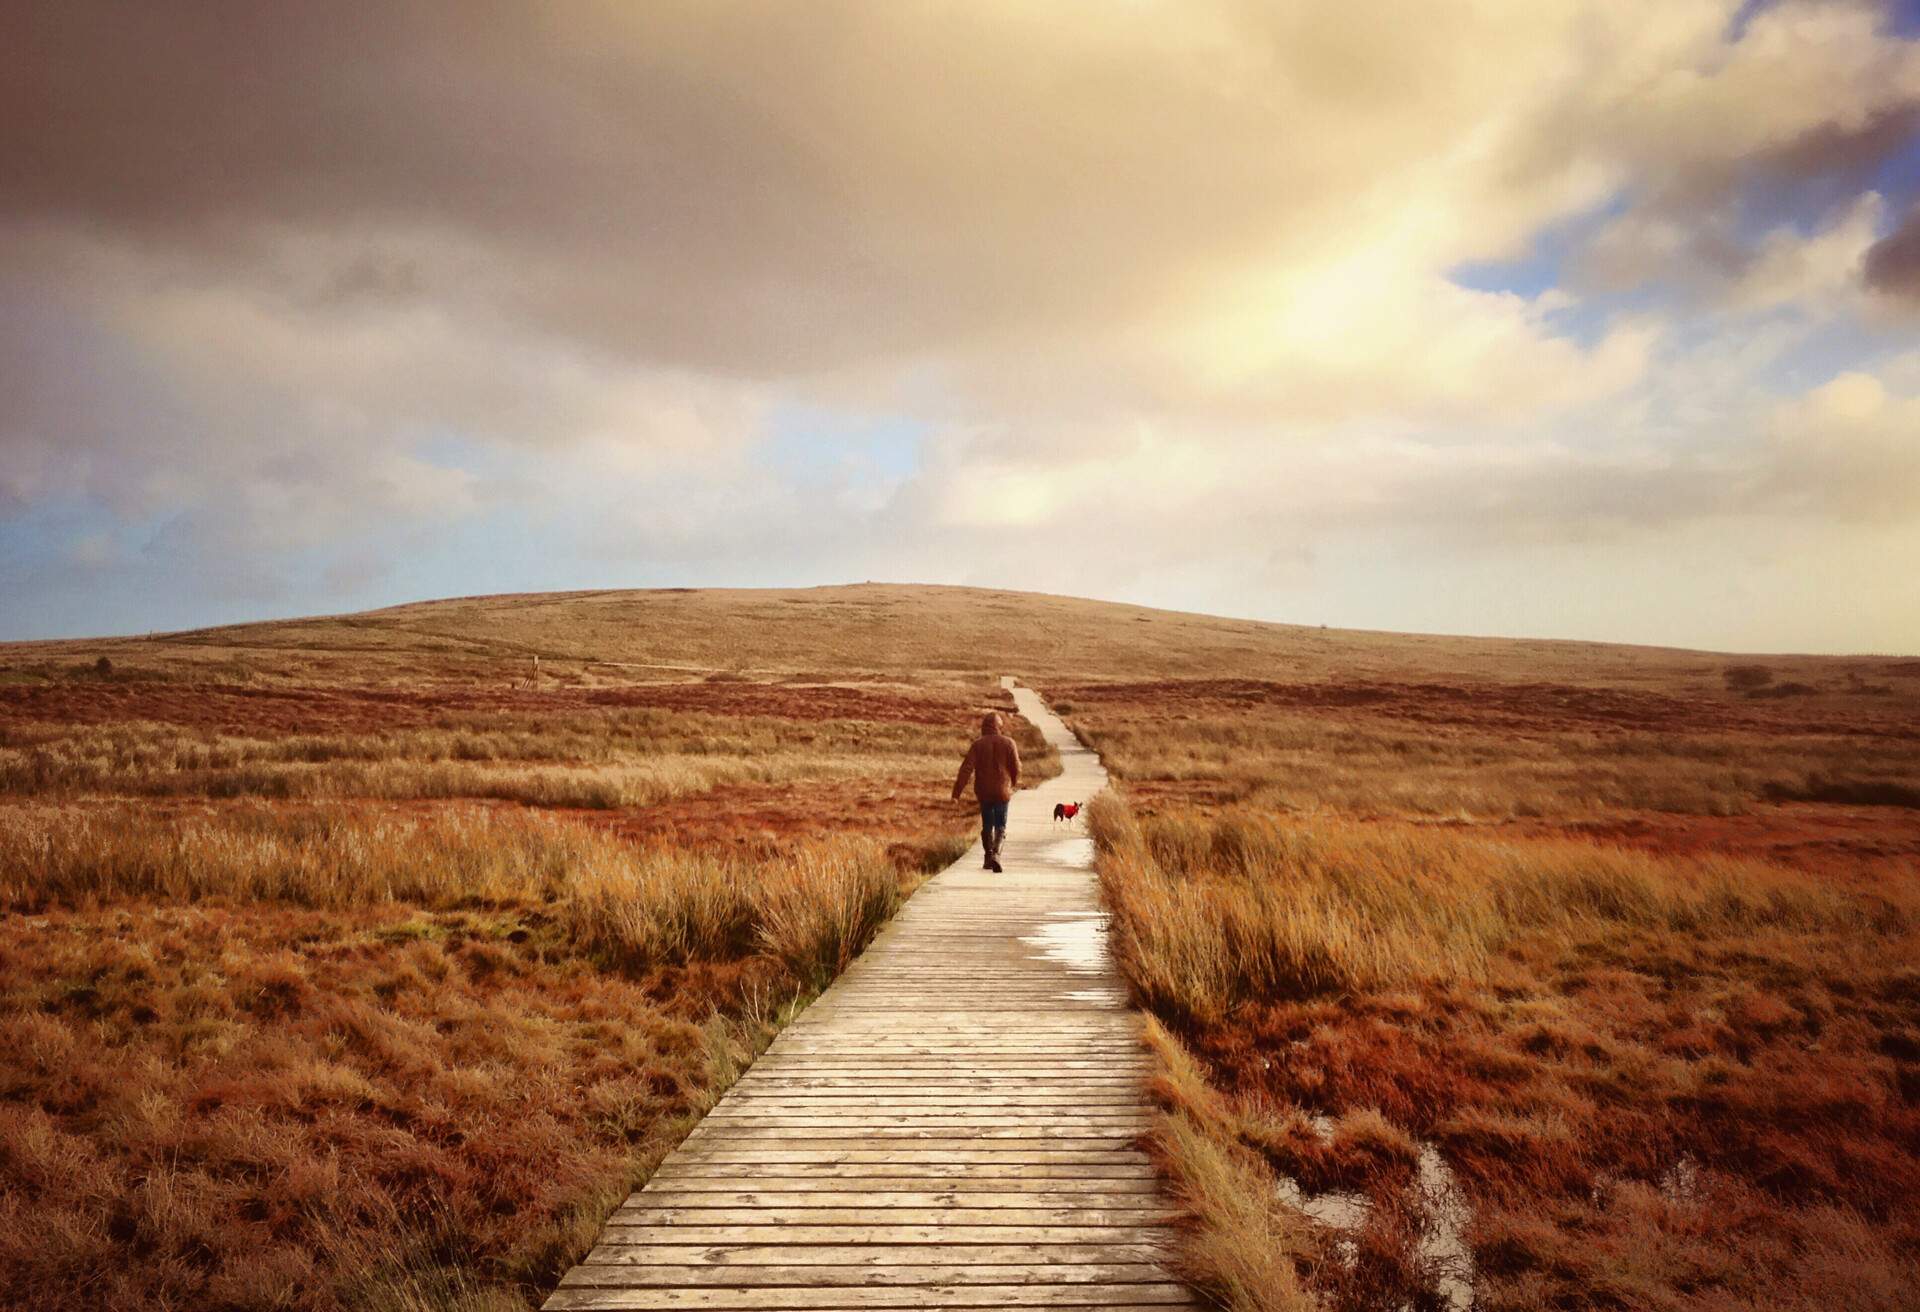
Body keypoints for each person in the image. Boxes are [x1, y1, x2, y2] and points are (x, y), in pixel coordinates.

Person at [952, 711, 1021, 872]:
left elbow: (966, 769)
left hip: (984, 792)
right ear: (999, 726)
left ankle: (988, 857)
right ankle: (996, 855)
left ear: (985, 726)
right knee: (1000, 826)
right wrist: (1013, 783)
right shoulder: (1009, 743)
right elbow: (1016, 767)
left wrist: (956, 793)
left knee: (987, 825)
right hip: (1002, 792)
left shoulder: (978, 745)